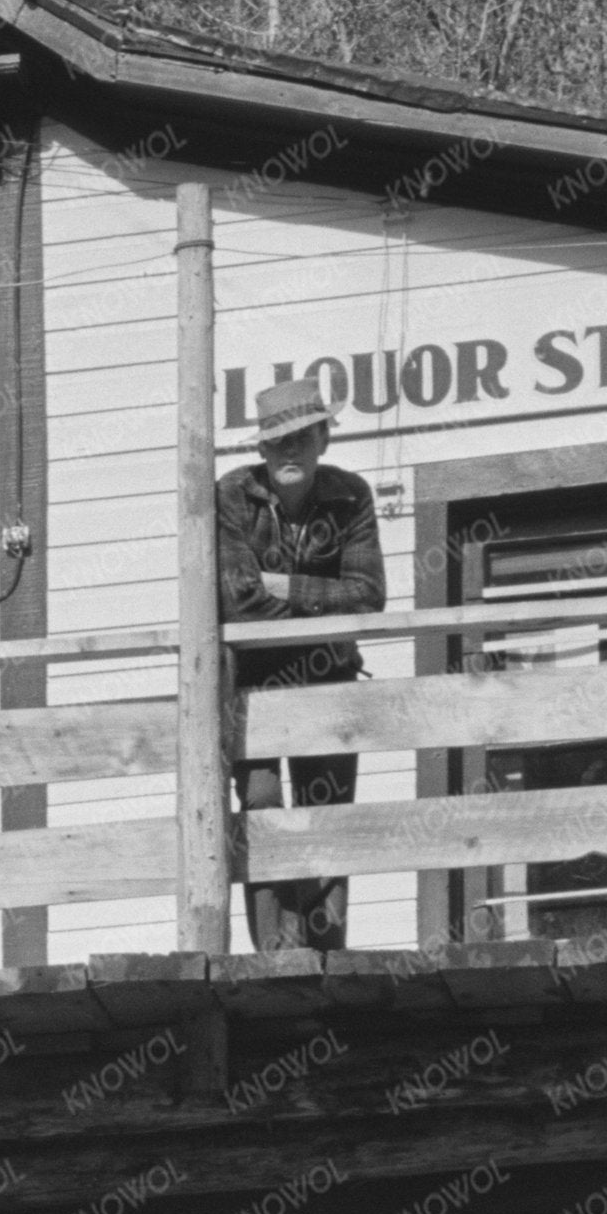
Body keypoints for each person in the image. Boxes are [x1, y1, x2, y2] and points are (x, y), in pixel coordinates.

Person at [215, 373, 385, 951]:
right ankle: (274, 954)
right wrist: (317, 607)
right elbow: (239, 599)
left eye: (301, 438)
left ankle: (326, 951)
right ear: (261, 450)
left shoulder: (351, 495)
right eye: (276, 442)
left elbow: (368, 596)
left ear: (322, 442)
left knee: (327, 810)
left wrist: (283, 584)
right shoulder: (231, 495)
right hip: (253, 685)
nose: (290, 452)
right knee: (261, 805)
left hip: (329, 680)